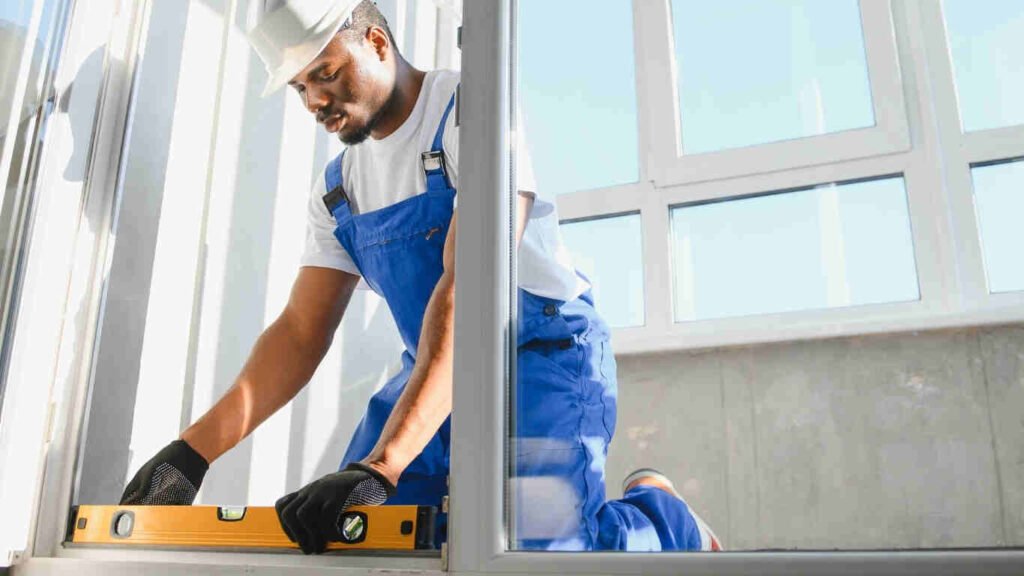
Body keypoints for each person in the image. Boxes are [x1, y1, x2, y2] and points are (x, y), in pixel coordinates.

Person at [119, 0, 721, 554]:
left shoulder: (473, 110)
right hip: (435, 366)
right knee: (358, 535)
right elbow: (301, 332)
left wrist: (384, 464)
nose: (314, 102)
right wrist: (193, 452)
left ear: (376, 42)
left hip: (540, 358)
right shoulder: (339, 188)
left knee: (536, 547)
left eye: (325, 73)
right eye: (301, 87)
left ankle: (664, 517)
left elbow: (472, 288)